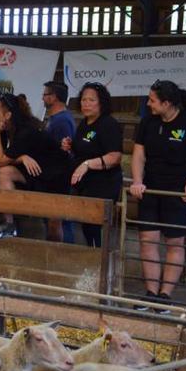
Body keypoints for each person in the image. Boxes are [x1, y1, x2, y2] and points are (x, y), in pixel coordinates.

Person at [129, 80, 186, 312]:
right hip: (151, 189)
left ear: (167, 103)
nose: (148, 104)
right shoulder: (148, 122)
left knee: (174, 242)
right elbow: (138, 155)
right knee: (147, 241)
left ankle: (165, 295)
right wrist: (137, 181)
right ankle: (150, 293)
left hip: (178, 192)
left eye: (152, 100)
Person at [0, 93, 70, 240]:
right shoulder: (12, 129)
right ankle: (9, 225)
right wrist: (21, 158)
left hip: (56, 177)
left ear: (8, 115)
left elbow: (1, 160)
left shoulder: (25, 131)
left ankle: (55, 254)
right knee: (5, 172)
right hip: (37, 172)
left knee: (54, 225)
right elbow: (8, 161)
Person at [63, 82, 123, 248]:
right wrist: (69, 146)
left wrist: (87, 164)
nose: (86, 104)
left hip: (104, 183)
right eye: (83, 100)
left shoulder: (108, 124)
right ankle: (92, 258)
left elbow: (115, 156)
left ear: (101, 102)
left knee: (98, 227)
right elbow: (83, 150)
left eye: (91, 100)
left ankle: (102, 263)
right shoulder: (84, 123)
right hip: (85, 185)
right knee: (87, 228)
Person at [43, 81, 76, 243]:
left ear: (53, 97)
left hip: (59, 179)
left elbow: (65, 152)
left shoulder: (62, 121)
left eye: (45, 94)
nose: (43, 98)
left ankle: (66, 256)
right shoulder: (55, 119)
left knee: (61, 222)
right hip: (52, 177)